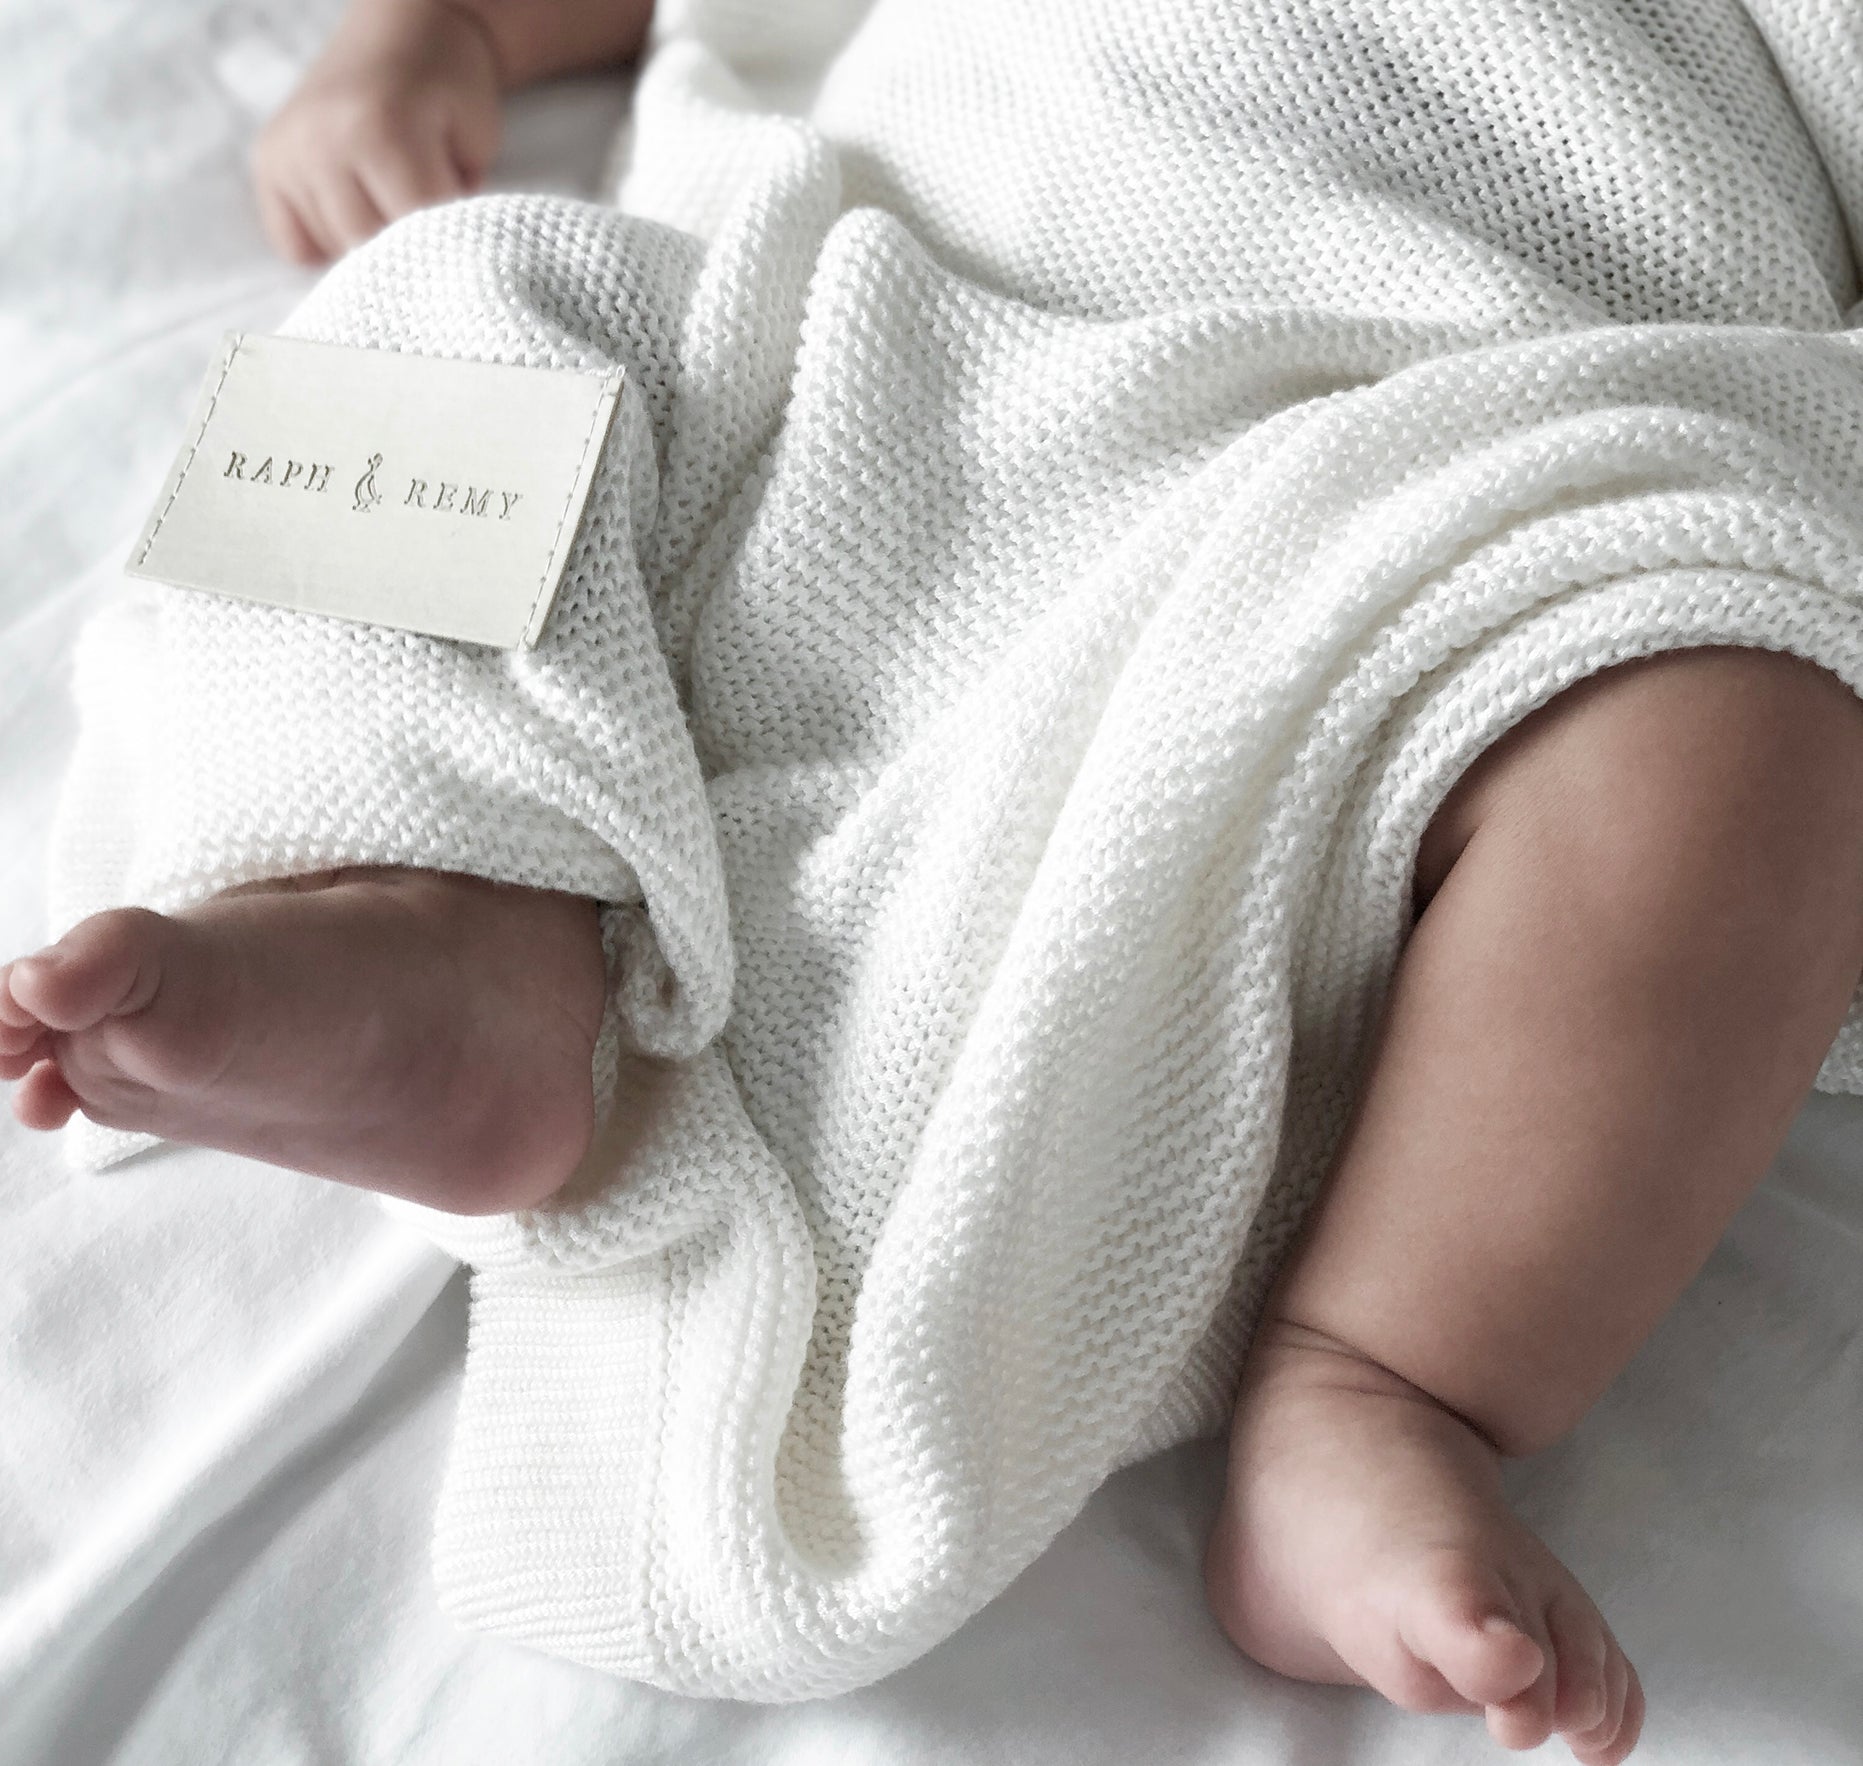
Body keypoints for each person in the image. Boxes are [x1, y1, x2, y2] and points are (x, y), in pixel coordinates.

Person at [11, 1, 1863, 1756]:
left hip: (1411, 464)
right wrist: (441, 37)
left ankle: (1382, 1371)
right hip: (869, 324)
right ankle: (436, 900)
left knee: (1737, 710)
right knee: (423, 317)